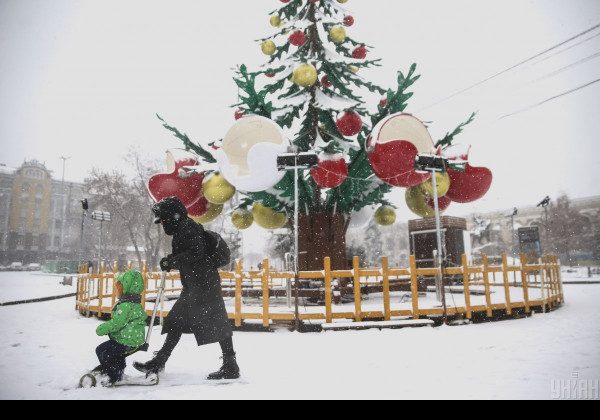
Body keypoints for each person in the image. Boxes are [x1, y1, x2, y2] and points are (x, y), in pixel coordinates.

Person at [134, 197, 240, 380]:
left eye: (164, 220)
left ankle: (230, 365)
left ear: (172, 217)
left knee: (214, 323)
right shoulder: (185, 228)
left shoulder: (186, 228)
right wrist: (172, 261)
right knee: (177, 321)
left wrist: (173, 261)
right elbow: (192, 256)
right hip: (199, 285)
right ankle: (161, 360)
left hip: (202, 285)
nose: (163, 224)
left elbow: (196, 254)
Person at [94, 270, 148, 385]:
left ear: (125, 289)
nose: (116, 291)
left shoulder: (126, 306)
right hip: (132, 338)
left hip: (127, 340)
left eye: (118, 289)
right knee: (116, 352)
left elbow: (117, 323)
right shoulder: (134, 303)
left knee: (102, 350)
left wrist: (102, 329)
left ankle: (113, 376)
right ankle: (118, 370)